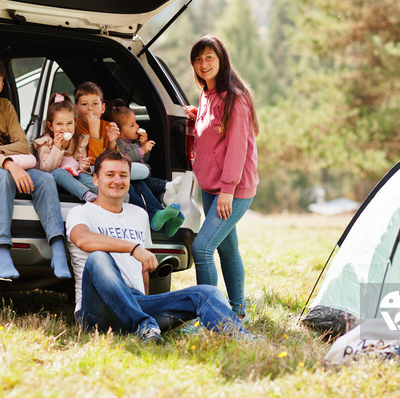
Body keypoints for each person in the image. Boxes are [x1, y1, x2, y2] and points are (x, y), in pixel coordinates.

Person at [66, 150, 251, 342]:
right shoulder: (81, 213)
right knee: (98, 257)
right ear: (95, 179)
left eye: (123, 175)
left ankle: (243, 339)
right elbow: (82, 239)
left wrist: (145, 298)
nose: (117, 181)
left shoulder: (139, 215)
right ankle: (144, 326)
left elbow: (143, 269)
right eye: (110, 175)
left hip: (137, 304)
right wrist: (134, 248)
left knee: (206, 292)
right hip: (98, 311)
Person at [0, 55, 71, 281]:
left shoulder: (5, 106)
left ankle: (58, 248)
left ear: (3, 86)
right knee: (3, 177)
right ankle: (3, 250)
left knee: (45, 179)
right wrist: (8, 163)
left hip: (5, 160)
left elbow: (22, 145)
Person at [186, 35, 259, 318]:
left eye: (209, 57)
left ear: (222, 60)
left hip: (233, 189)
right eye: (198, 58)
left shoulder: (235, 100)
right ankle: (237, 313)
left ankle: (210, 316)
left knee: (202, 248)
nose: (203, 64)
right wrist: (195, 119)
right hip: (210, 186)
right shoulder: (207, 94)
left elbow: (237, 149)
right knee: (227, 251)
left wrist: (227, 190)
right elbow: (210, 133)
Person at [107, 99, 184, 237]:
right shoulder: (118, 143)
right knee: (141, 184)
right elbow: (124, 158)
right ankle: (164, 192)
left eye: (136, 122)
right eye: (132, 125)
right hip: (130, 178)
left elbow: (144, 160)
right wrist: (142, 149)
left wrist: (143, 147)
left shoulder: (132, 141)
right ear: (120, 133)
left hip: (140, 176)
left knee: (143, 183)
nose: (137, 126)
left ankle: (165, 212)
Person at [33, 92, 95, 202]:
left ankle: (110, 195)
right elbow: (47, 168)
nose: (65, 128)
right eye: (59, 124)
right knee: (59, 173)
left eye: (69, 123)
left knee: (89, 175)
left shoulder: (79, 141)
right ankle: (86, 194)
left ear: (75, 123)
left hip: (75, 177)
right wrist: (57, 147)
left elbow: (79, 164)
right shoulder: (46, 142)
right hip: (56, 180)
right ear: (50, 126)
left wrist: (83, 166)